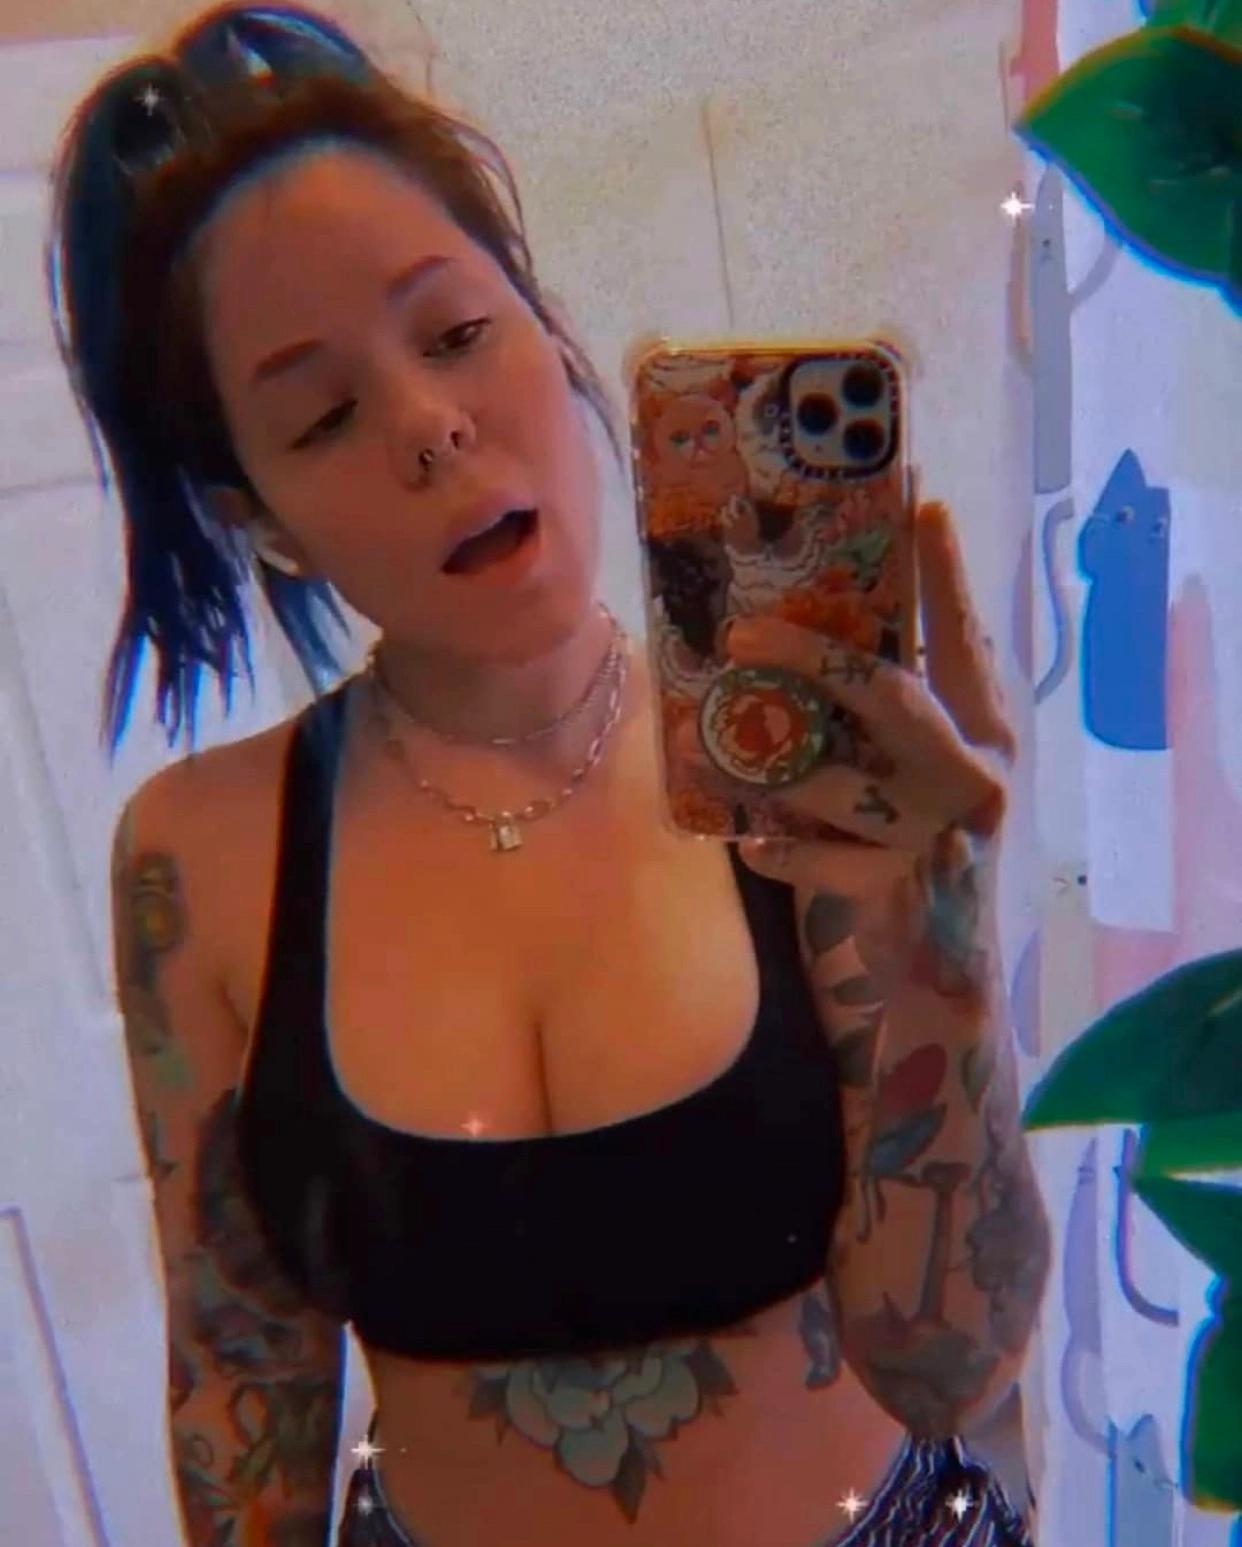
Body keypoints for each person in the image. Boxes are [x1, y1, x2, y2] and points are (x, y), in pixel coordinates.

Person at [49, 6, 1051, 1544]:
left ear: (541, 320)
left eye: (457, 333)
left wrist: (939, 921)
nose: (429, 425)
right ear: (262, 522)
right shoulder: (206, 859)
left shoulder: (794, 768)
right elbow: (240, 1391)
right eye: (323, 415)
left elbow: (948, 1364)